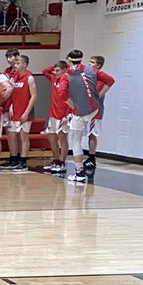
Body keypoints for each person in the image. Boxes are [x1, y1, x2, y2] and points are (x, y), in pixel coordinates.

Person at [61, 49, 99, 185]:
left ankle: (79, 172)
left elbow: (61, 94)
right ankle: (87, 162)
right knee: (91, 134)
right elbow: (109, 80)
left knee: (76, 141)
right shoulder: (91, 70)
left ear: (69, 60)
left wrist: (72, 106)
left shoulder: (66, 76)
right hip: (94, 108)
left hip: (80, 112)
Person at [5, 53, 37, 173]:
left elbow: (34, 96)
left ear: (24, 64)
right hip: (15, 110)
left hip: (25, 111)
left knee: (24, 136)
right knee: (13, 135)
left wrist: (26, 112)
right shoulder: (15, 77)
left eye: (18, 63)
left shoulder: (29, 77)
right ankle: (15, 158)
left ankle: (23, 162)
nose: (15, 66)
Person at [41, 60, 71, 174]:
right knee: (51, 137)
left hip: (63, 114)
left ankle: (62, 162)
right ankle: (56, 160)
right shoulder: (54, 78)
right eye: (55, 70)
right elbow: (45, 71)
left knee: (62, 138)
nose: (55, 72)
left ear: (64, 70)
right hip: (53, 114)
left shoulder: (68, 81)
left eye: (58, 70)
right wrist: (54, 65)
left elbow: (71, 99)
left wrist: (67, 114)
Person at [85, 56, 115, 169]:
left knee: (92, 134)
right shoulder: (88, 77)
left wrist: (98, 97)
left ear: (98, 66)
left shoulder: (101, 78)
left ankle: (92, 158)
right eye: (89, 62)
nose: (89, 64)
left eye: (92, 62)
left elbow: (111, 80)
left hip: (95, 110)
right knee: (85, 133)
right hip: (86, 109)